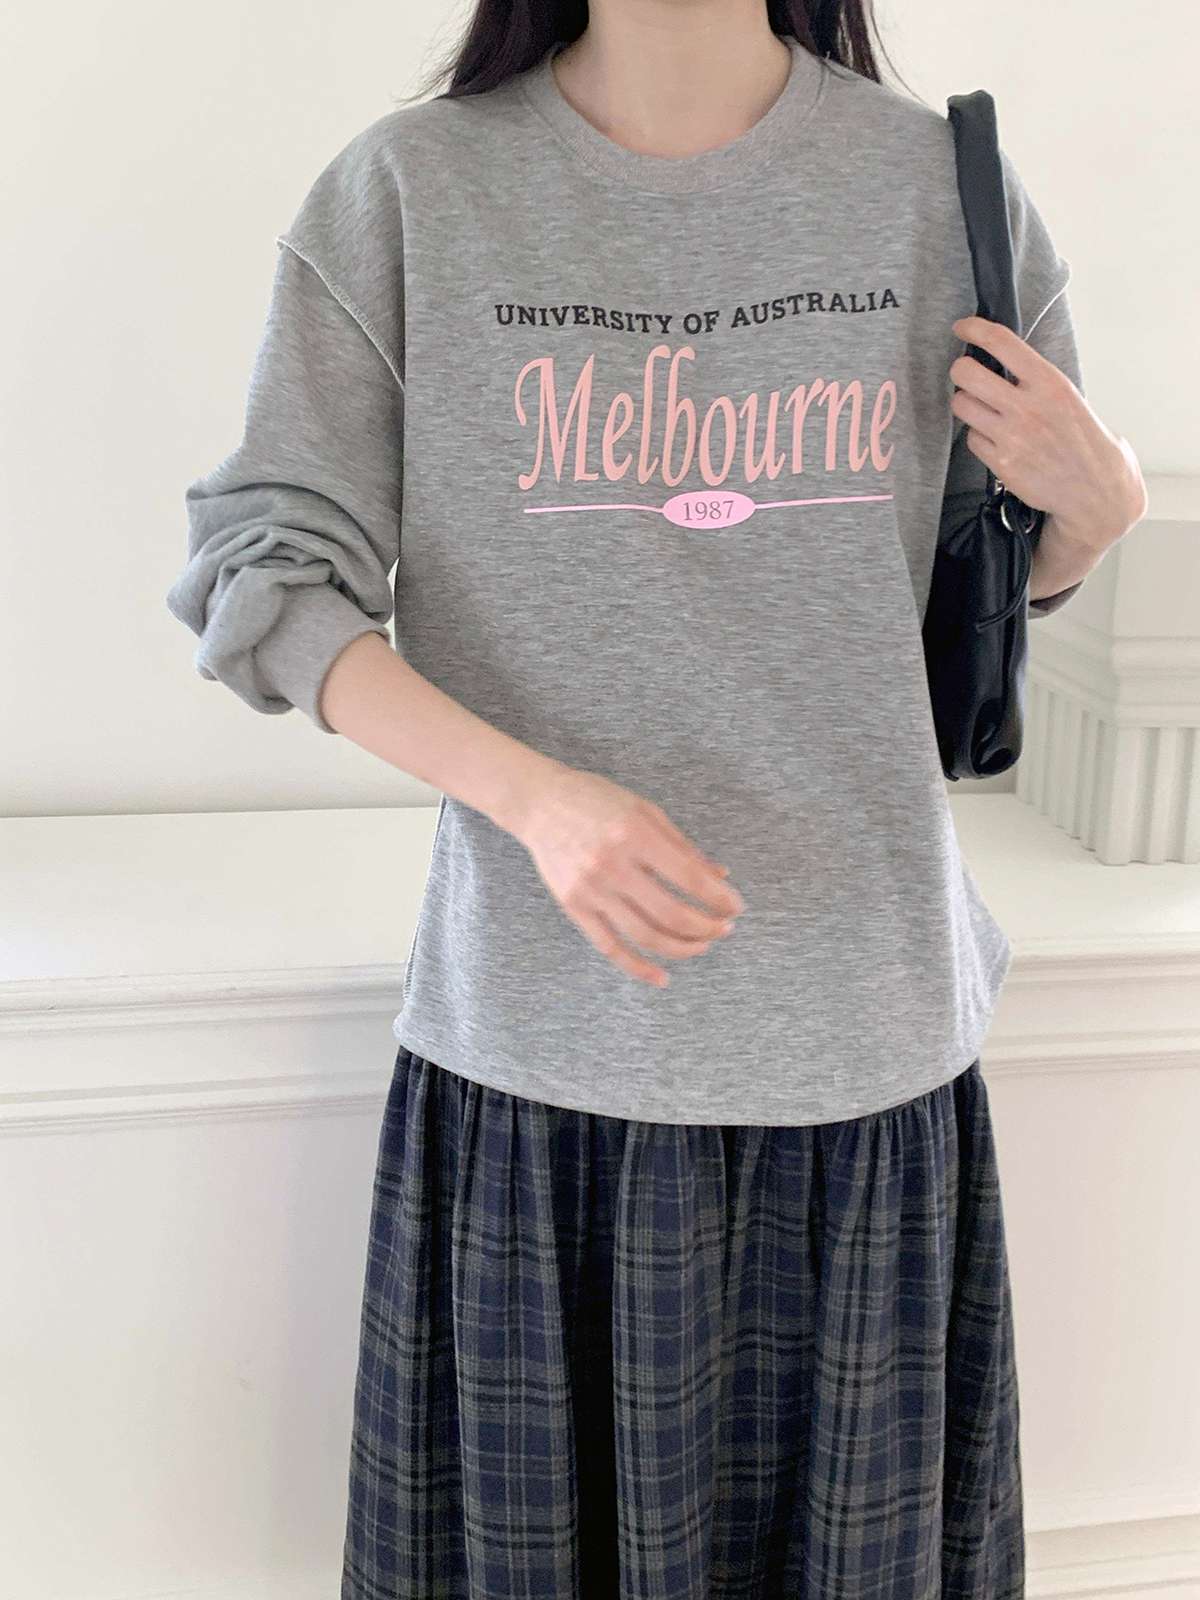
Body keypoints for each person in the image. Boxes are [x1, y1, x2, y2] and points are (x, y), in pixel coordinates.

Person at [166, 2, 1147, 1595]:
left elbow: (957, 596)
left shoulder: (938, 191)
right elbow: (262, 578)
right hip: (539, 1071)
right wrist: (538, 799)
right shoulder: (414, 191)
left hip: (862, 1066)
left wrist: (1093, 523)